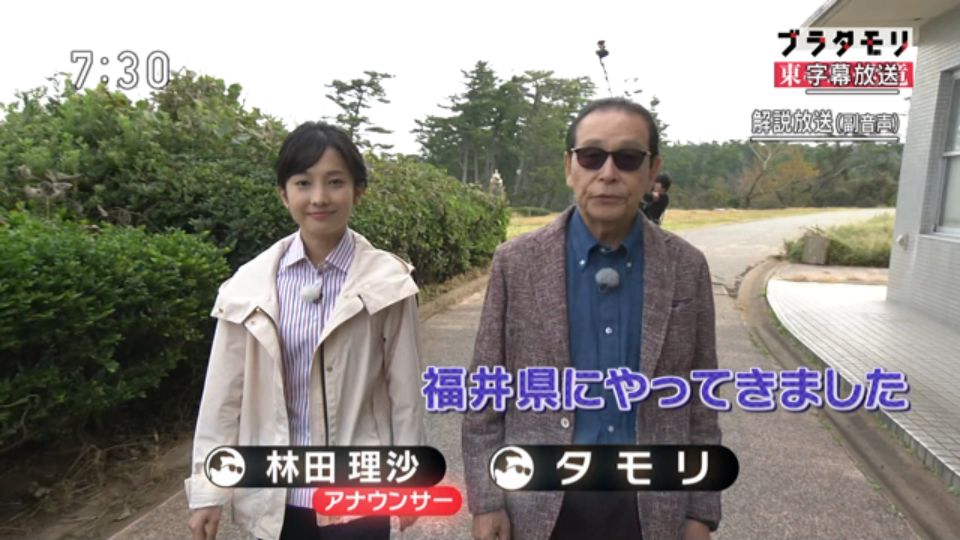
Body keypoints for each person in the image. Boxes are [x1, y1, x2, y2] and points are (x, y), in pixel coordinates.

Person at [462, 98, 720, 540]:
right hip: (538, 502)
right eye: (592, 156)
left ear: (652, 170)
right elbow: (486, 390)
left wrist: (700, 509)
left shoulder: (686, 266)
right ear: (570, 166)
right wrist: (487, 500)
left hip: (651, 504)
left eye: (628, 158)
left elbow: (701, 397)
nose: (608, 173)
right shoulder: (516, 262)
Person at [185, 121, 426, 540]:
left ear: (357, 191)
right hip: (276, 496)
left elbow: (405, 391)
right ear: (284, 193)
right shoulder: (249, 285)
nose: (319, 197)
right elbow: (224, 395)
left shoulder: (388, 282)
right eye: (303, 183)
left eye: (335, 182)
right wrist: (209, 489)